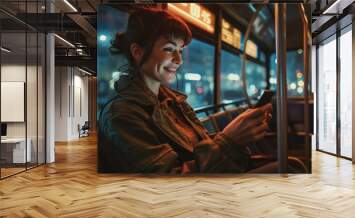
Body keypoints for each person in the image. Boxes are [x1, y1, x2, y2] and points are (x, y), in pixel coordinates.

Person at [98, 7, 273, 173]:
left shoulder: (173, 102)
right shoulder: (121, 114)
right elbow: (167, 181)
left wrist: (240, 137)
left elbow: (203, 146)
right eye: (169, 49)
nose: (179, 60)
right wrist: (229, 141)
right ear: (137, 52)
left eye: (180, 50)